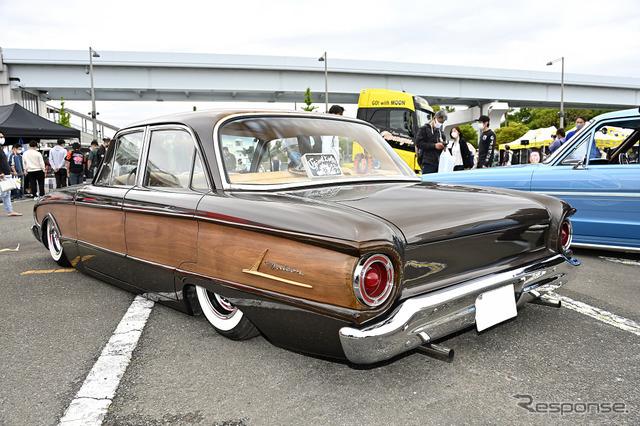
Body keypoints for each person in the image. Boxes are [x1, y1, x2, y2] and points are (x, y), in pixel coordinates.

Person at [415, 109, 448, 174]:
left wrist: (443, 147)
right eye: (439, 122)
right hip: (428, 162)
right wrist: (434, 146)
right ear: (434, 118)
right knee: (427, 183)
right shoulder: (423, 129)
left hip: (439, 163)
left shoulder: (441, 133)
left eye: (442, 123)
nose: (440, 124)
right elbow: (418, 144)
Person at [0, 132, 22, 216]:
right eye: (1, 137)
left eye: (2, 137)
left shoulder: (1, 149)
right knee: (3, 193)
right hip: (2, 174)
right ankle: (10, 211)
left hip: (6, 173)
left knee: (7, 193)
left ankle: (10, 211)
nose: (2, 138)